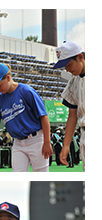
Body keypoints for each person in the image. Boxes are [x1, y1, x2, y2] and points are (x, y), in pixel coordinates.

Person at [0, 63, 53, 172]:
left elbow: (44, 117)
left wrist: (47, 142)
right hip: (18, 143)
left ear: (8, 78)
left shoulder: (26, 91)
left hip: (36, 140)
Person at [53, 41, 85, 171]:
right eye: (64, 66)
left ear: (80, 57)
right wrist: (66, 145)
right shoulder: (72, 83)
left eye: (68, 64)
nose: (67, 69)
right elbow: (72, 116)